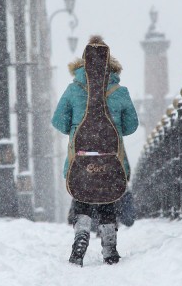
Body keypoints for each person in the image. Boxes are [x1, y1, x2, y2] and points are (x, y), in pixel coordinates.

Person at [52, 35, 138, 266]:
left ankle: (81, 235)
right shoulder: (119, 90)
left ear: (83, 63)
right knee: (108, 197)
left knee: (82, 196)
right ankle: (109, 246)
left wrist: (76, 125)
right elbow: (131, 127)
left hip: (80, 158)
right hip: (112, 159)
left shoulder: (73, 89)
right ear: (111, 63)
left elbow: (58, 122)